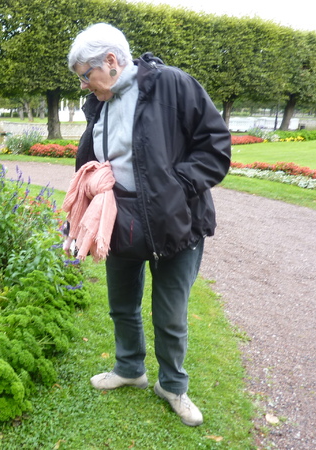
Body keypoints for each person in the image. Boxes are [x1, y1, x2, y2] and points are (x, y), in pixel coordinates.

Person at [65, 23, 231, 427]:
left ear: (111, 61)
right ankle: (129, 369)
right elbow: (96, 157)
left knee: (170, 314)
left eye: (86, 74)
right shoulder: (100, 103)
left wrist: (177, 187)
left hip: (175, 222)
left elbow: (216, 145)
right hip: (118, 222)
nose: (85, 85)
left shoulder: (171, 85)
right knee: (122, 304)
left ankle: (173, 386)